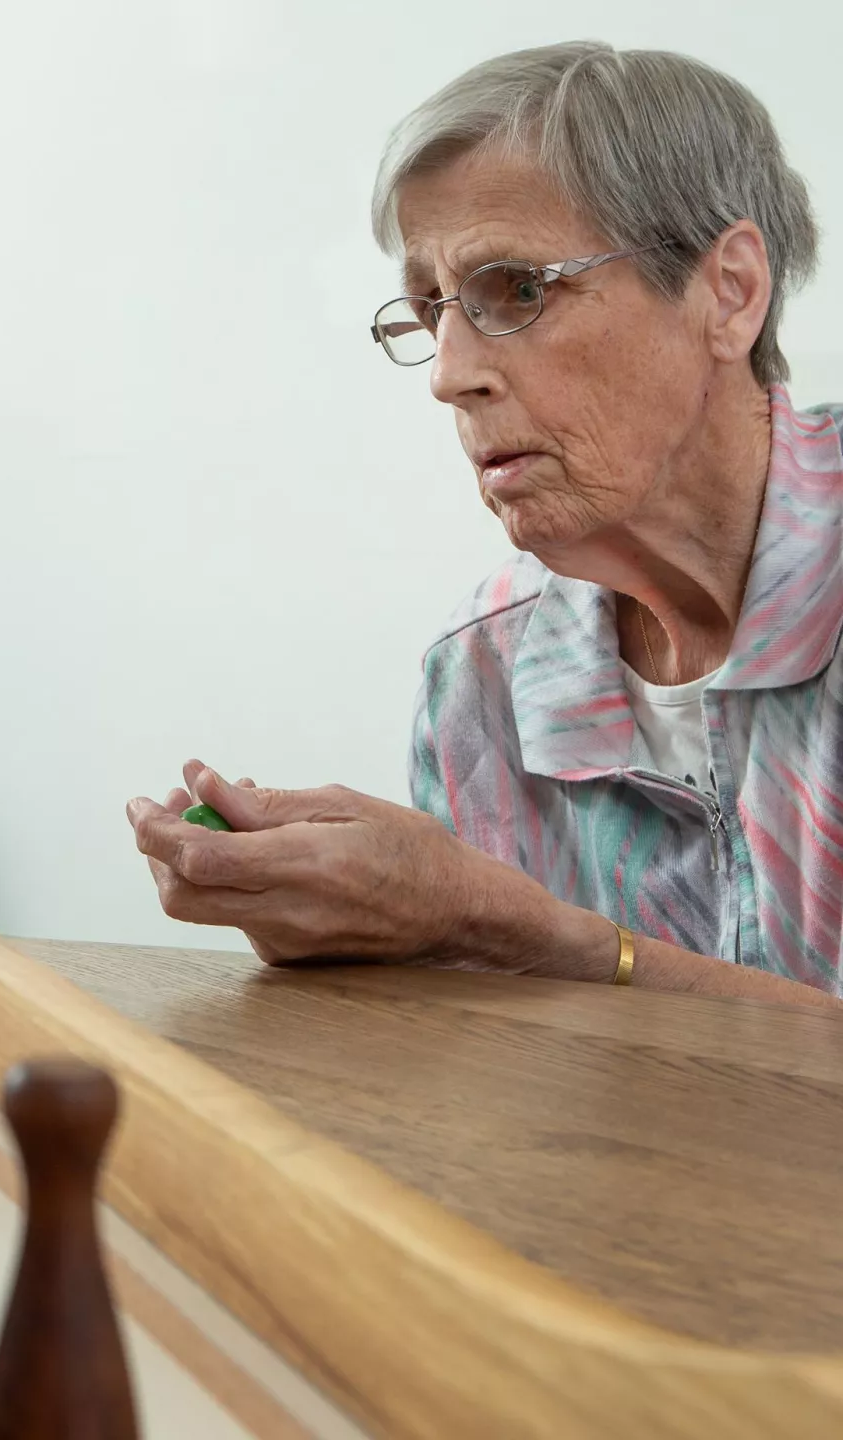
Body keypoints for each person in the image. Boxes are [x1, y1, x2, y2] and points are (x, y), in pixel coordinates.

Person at [129, 43, 842, 1005]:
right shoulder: (486, 674)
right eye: (430, 311)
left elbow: (517, 944)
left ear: (730, 292)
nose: (447, 374)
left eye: (517, 290)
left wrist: (517, 932)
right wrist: (379, 946)